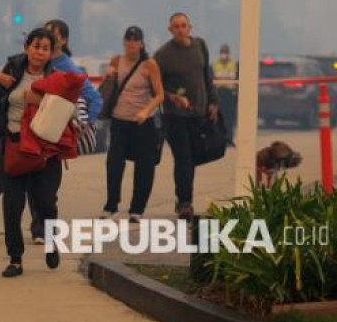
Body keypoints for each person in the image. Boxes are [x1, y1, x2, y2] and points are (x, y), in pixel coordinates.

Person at [0, 28, 63, 278]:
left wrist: (41, 100)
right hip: (14, 148)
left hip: (45, 152)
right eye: (36, 46)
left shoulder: (57, 79)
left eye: (45, 48)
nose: (39, 52)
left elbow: (71, 111)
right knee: (12, 207)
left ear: (51, 53)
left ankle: (51, 241)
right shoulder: (11, 69)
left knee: (46, 203)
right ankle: (15, 259)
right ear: (26, 47)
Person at [20, 19, 103, 244]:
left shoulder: (66, 68)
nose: (45, 38)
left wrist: (85, 125)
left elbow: (94, 98)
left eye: (52, 35)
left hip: (51, 136)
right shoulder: (28, 65)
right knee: (31, 182)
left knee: (46, 187)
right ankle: (39, 227)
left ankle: (44, 227)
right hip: (29, 133)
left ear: (63, 40)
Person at [153, 13, 218, 221]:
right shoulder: (163, 54)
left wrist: (213, 101)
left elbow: (206, 75)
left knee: (194, 158)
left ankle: (184, 198)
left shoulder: (200, 45)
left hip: (198, 112)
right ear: (170, 30)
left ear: (190, 27)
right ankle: (184, 203)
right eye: (176, 27)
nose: (180, 30)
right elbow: (155, 85)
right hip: (174, 115)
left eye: (183, 26)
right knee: (183, 158)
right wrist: (172, 97)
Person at [101, 26, 164, 223]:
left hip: (142, 123)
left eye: (135, 39)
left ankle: (137, 209)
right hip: (120, 121)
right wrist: (109, 77)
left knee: (144, 166)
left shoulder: (149, 64)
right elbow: (108, 89)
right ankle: (112, 205)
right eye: (128, 39)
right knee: (114, 163)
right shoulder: (116, 61)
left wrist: (146, 110)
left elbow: (160, 95)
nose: (131, 43)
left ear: (141, 43)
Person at [213, 44, 238, 147]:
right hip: (219, 93)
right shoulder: (216, 64)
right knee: (219, 117)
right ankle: (219, 139)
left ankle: (229, 138)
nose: (224, 54)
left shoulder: (233, 64)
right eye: (223, 52)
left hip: (230, 94)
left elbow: (233, 77)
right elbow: (215, 77)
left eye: (226, 52)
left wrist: (223, 80)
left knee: (230, 118)